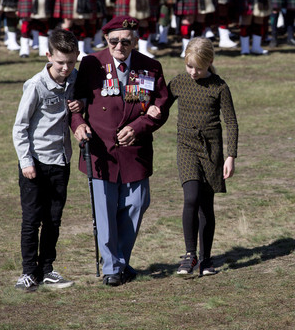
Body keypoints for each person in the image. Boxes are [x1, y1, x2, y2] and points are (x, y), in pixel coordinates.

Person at [70, 16, 169, 287]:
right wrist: (78, 126)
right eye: (114, 41)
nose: (120, 46)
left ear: (135, 41)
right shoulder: (91, 63)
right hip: (100, 150)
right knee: (104, 210)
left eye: (126, 41)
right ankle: (112, 267)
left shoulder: (150, 66)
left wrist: (139, 126)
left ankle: (121, 261)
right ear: (106, 40)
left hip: (135, 150)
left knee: (137, 204)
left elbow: (160, 106)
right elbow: (75, 104)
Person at [149, 37, 238, 276]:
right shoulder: (179, 82)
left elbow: (231, 121)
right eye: (189, 66)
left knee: (206, 205)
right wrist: (153, 108)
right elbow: (161, 104)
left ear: (209, 62)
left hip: (211, 149)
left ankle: (206, 260)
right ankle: (189, 255)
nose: (193, 72)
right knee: (191, 197)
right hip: (186, 145)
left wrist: (231, 156)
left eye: (198, 67)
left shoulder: (219, 86)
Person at [12, 29, 81, 292]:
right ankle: (28, 272)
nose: (65, 68)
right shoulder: (35, 85)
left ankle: (47, 268)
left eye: (71, 62)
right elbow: (20, 127)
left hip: (60, 161)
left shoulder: (75, 78)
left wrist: (81, 104)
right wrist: (26, 161)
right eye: (60, 62)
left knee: (54, 219)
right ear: (48, 56)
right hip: (35, 163)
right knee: (32, 219)